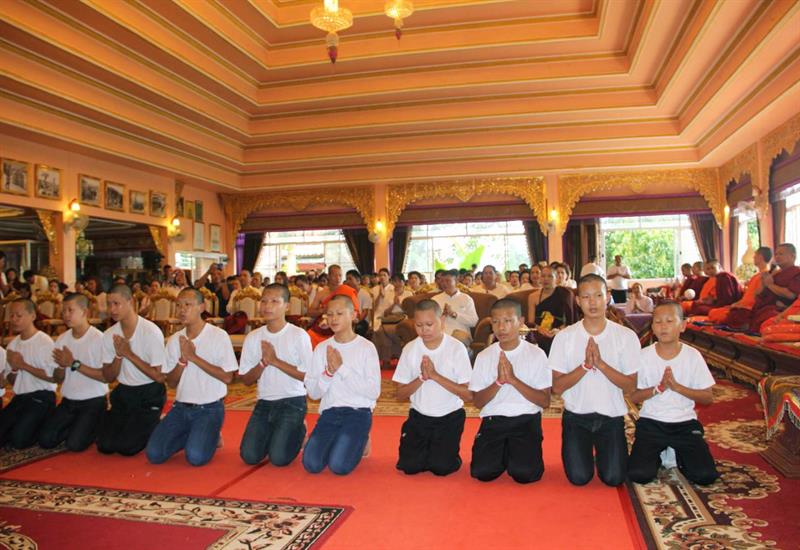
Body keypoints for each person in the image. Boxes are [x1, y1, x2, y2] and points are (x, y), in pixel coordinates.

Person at [550, 274, 640, 486]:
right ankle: (585, 453)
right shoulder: (565, 337)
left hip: (611, 417)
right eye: (586, 297)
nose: (593, 302)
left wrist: (601, 365)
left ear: (607, 297)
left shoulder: (625, 336)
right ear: (578, 301)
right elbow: (557, 387)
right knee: (579, 478)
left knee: (613, 478)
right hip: (576, 418)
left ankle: (605, 453)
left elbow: (631, 386)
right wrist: (585, 366)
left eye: (598, 295)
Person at [627, 302, 719, 485]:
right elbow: (633, 396)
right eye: (658, 321)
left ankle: (676, 453)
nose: (663, 326)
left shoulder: (692, 356)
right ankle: (662, 452)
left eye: (669, 321)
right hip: (652, 422)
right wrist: (657, 389)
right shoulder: (643, 356)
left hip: (684, 423)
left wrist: (677, 388)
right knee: (639, 474)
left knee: (705, 476)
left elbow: (708, 397)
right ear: (652, 327)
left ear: (682, 325)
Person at [145, 288, 237, 466]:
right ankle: (198, 434)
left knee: (195, 457)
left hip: (209, 408)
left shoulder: (218, 336)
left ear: (202, 307)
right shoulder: (174, 340)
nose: (182, 310)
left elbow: (227, 377)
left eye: (188, 305)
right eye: (178, 305)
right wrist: (182, 361)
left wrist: (194, 357)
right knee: (154, 454)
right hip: (180, 408)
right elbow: (171, 382)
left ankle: (210, 433)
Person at [470, 299, 551, 484]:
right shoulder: (484, 356)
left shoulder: (536, 354)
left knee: (525, 475)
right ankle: (506, 450)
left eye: (508, 321)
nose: (501, 327)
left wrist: (513, 380)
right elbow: (478, 402)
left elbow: (545, 401)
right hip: (494, 420)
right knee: (482, 473)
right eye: (496, 322)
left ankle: (513, 451)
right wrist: (498, 382)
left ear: (521, 321)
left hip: (526, 418)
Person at [392, 299, 473, 476]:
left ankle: (445, 454)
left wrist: (435, 376)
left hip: (449, 416)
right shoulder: (410, 349)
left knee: (441, 468)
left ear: (441, 320)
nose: (424, 330)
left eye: (429, 324)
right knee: (409, 467)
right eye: (419, 325)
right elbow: (399, 394)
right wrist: (421, 377)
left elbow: (468, 395)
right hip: (419, 416)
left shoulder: (456, 348)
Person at [303, 296, 381, 475]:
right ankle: (341, 440)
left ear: (354, 315)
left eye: (339, 313)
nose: (333, 318)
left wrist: (341, 368)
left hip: (358, 413)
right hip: (331, 412)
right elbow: (313, 394)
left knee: (339, 466)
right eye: (329, 314)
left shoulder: (366, 348)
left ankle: (361, 438)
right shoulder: (322, 348)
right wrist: (328, 373)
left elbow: (373, 392)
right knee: (311, 464)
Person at [239, 284, 312, 467]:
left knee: (279, 458)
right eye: (263, 301)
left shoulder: (298, 335)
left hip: (292, 401)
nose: (267, 306)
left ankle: (299, 429)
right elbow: (246, 380)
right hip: (264, 403)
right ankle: (276, 433)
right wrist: (263, 363)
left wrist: (275, 361)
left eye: (274, 301)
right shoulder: (253, 337)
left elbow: (308, 377)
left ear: (287, 306)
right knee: (249, 456)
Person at [96, 284, 167, 456]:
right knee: (105, 446)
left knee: (127, 448)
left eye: (116, 303)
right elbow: (108, 377)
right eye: (109, 304)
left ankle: (160, 421)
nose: (112, 309)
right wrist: (119, 356)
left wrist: (129, 354)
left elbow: (159, 376)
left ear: (131, 301)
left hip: (149, 393)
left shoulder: (150, 331)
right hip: (124, 393)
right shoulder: (109, 335)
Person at [38, 293, 107, 451]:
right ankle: (78, 426)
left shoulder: (99, 339)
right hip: (69, 402)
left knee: (74, 445)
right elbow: (57, 379)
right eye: (63, 311)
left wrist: (73, 363)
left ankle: (97, 423)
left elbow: (105, 377)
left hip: (93, 401)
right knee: (46, 440)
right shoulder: (62, 339)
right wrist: (62, 366)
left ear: (84, 312)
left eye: (70, 310)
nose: (66, 315)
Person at [0, 299, 57, 448]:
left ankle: (46, 421)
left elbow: (53, 377)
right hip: (21, 397)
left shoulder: (44, 342)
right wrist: (14, 368)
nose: (14, 319)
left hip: (42, 397)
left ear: (32, 316)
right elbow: (11, 381)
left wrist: (23, 365)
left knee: (19, 440)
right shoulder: (13, 344)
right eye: (11, 315)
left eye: (19, 315)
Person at [726, 243, 800, 333]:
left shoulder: (797, 272)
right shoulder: (775, 273)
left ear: (792, 256)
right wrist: (763, 284)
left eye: (781, 254)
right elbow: (757, 294)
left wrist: (770, 285)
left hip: (780, 308)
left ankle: (751, 329)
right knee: (735, 314)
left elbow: (791, 295)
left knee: (766, 319)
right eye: (776, 254)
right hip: (762, 306)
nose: (777, 257)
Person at [709, 246, 771, 325]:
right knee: (713, 312)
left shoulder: (766, 275)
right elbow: (747, 295)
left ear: (760, 257)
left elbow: (756, 297)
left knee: (716, 314)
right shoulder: (756, 276)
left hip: (748, 309)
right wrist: (737, 304)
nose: (753, 257)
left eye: (755, 255)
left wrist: (740, 305)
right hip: (742, 306)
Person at [527, 265, 576, 355]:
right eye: (543, 276)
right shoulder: (533, 297)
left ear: (556, 278)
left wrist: (559, 330)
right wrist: (540, 329)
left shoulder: (565, 294)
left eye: (550, 276)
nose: (546, 279)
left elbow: (571, 321)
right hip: (539, 332)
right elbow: (531, 323)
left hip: (560, 331)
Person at [306, 265, 360, 348]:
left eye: (340, 275)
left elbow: (356, 315)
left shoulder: (347, 291)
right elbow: (309, 312)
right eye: (335, 275)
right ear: (328, 276)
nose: (338, 278)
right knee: (309, 336)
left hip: (341, 326)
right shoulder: (322, 293)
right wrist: (322, 311)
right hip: (323, 327)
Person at [373, 274, 414, 369]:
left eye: (400, 281)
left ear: (404, 282)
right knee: (380, 331)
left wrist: (399, 305)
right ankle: (386, 359)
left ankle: (400, 358)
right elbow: (385, 313)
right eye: (395, 281)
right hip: (390, 318)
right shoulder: (389, 294)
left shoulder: (408, 294)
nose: (397, 283)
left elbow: (410, 312)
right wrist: (393, 306)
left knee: (396, 330)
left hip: (403, 318)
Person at [432, 269, 479, 347]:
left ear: (456, 281)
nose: (444, 284)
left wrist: (454, 314)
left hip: (461, 336)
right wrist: (441, 315)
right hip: (442, 335)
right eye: (442, 281)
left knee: (456, 339)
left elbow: (474, 321)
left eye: (447, 281)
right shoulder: (435, 299)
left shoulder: (466, 298)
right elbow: (430, 321)